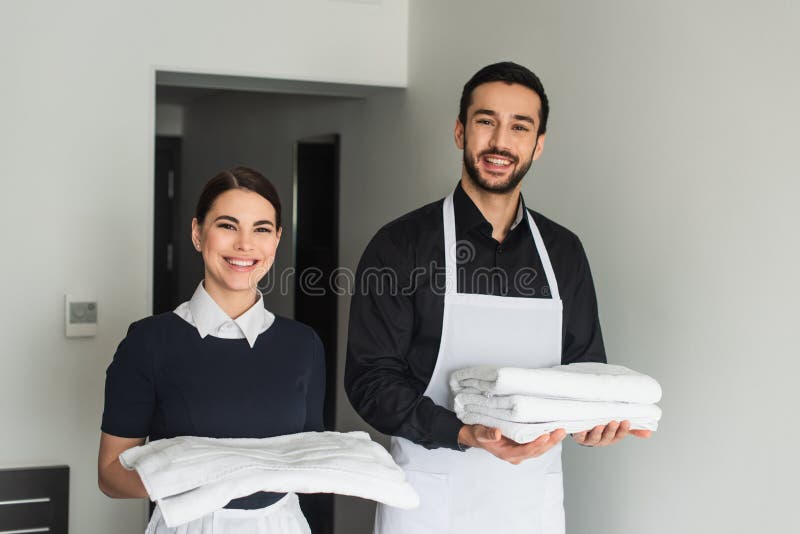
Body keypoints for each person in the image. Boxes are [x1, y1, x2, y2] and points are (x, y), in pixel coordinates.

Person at [345, 62, 651, 534]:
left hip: (531, 503)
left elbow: (586, 372)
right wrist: (464, 432)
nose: (500, 141)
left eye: (519, 126)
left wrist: (595, 423)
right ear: (460, 131)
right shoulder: (401, 245)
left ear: (538, 144)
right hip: (428, 498)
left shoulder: (563, 252)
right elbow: (370, 379)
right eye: (486, 121)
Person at [98, 167, 324, 533]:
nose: (245, 245)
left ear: (277, 240)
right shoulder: (149, 342)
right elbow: (110, 475)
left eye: (261, 229)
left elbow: (310, 458)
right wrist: (200, 480)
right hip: (190, 524)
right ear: (197, 233)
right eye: (227, 226)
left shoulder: (303, 345)